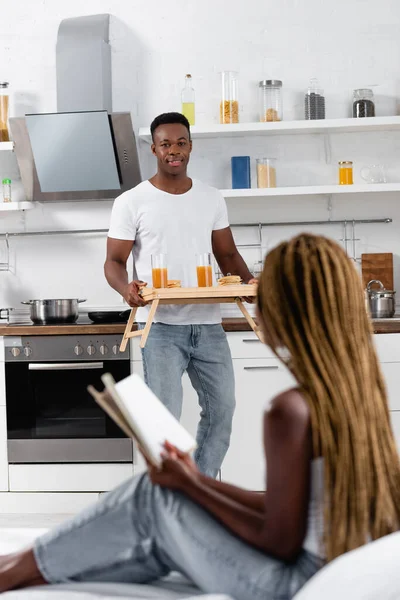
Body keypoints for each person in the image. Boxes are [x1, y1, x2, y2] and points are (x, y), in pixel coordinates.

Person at [1, 233, 399, 599]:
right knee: (163, 508)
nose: (256, 305)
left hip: (286, 584)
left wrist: (190, 486)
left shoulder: (290, 411)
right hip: (316, 568)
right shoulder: (357, 394)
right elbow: (284, 511)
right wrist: (190, 481)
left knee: (152, 496)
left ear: (287, 310)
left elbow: (279, 540)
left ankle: (13, 570)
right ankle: (22, 570)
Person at [104, 112, 256, 479]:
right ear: (154, 149)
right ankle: (168, 495)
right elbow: (113, 261)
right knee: (164, 422)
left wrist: (252, 286)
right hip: (160, 328)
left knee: (222, 411)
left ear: (190, 146)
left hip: (208, 326)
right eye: (166, 144)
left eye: (181, 143)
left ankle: (200, 492)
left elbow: (228, 256)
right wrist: (127, 288)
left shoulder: (210, 198)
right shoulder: (132, 201)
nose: (174, 151)